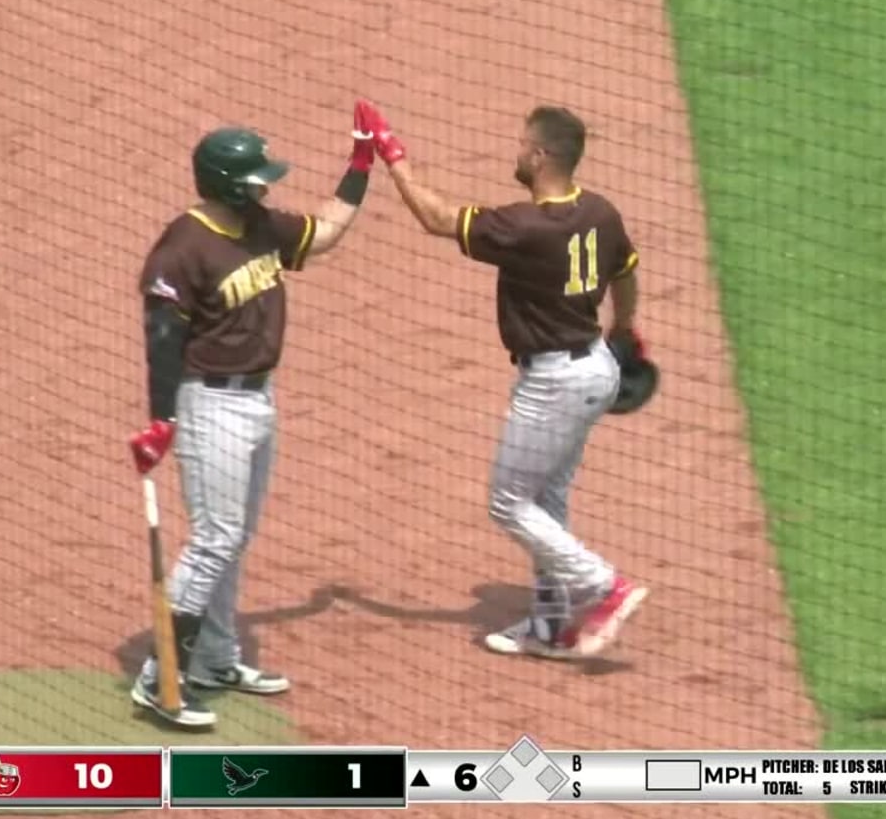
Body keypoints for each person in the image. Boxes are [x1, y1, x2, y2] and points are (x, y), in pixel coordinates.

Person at [126, 100, 388, 727]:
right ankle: (160, 678)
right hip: (209, 401)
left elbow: (324, 233)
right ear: (227, 183)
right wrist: (162, 421)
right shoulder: (183, 247)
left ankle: (215, 658)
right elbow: (162, 338)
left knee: (233, 538)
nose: (267, 184)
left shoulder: (261, 227)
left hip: (258, 400)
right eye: (258, 177)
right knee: (215, 537)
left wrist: (360, 164)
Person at [376, 104, 649, 658]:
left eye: (523, 144)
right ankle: (549, 625)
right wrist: (625, 329)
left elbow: (436, 218)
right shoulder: (600, 211)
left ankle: (604, 586)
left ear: (542, 156)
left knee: (507, 501)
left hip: (554, 382)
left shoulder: (525, 228)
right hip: (597, 366)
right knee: (546, 497)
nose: (517, 151)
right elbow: (625, 273)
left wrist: (392, 156)